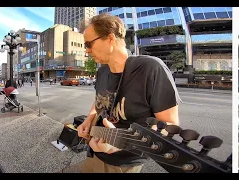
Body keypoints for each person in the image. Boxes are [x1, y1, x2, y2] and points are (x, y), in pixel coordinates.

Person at [77, 13, 181, 173]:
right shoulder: (102, 71)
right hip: (93, 152)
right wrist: (90, 118)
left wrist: (121, 143)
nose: (87, 51)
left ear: (110, 38)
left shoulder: (151, 68)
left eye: (89, 44)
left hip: (122, 164)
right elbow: (101, 99)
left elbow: (170, 126)